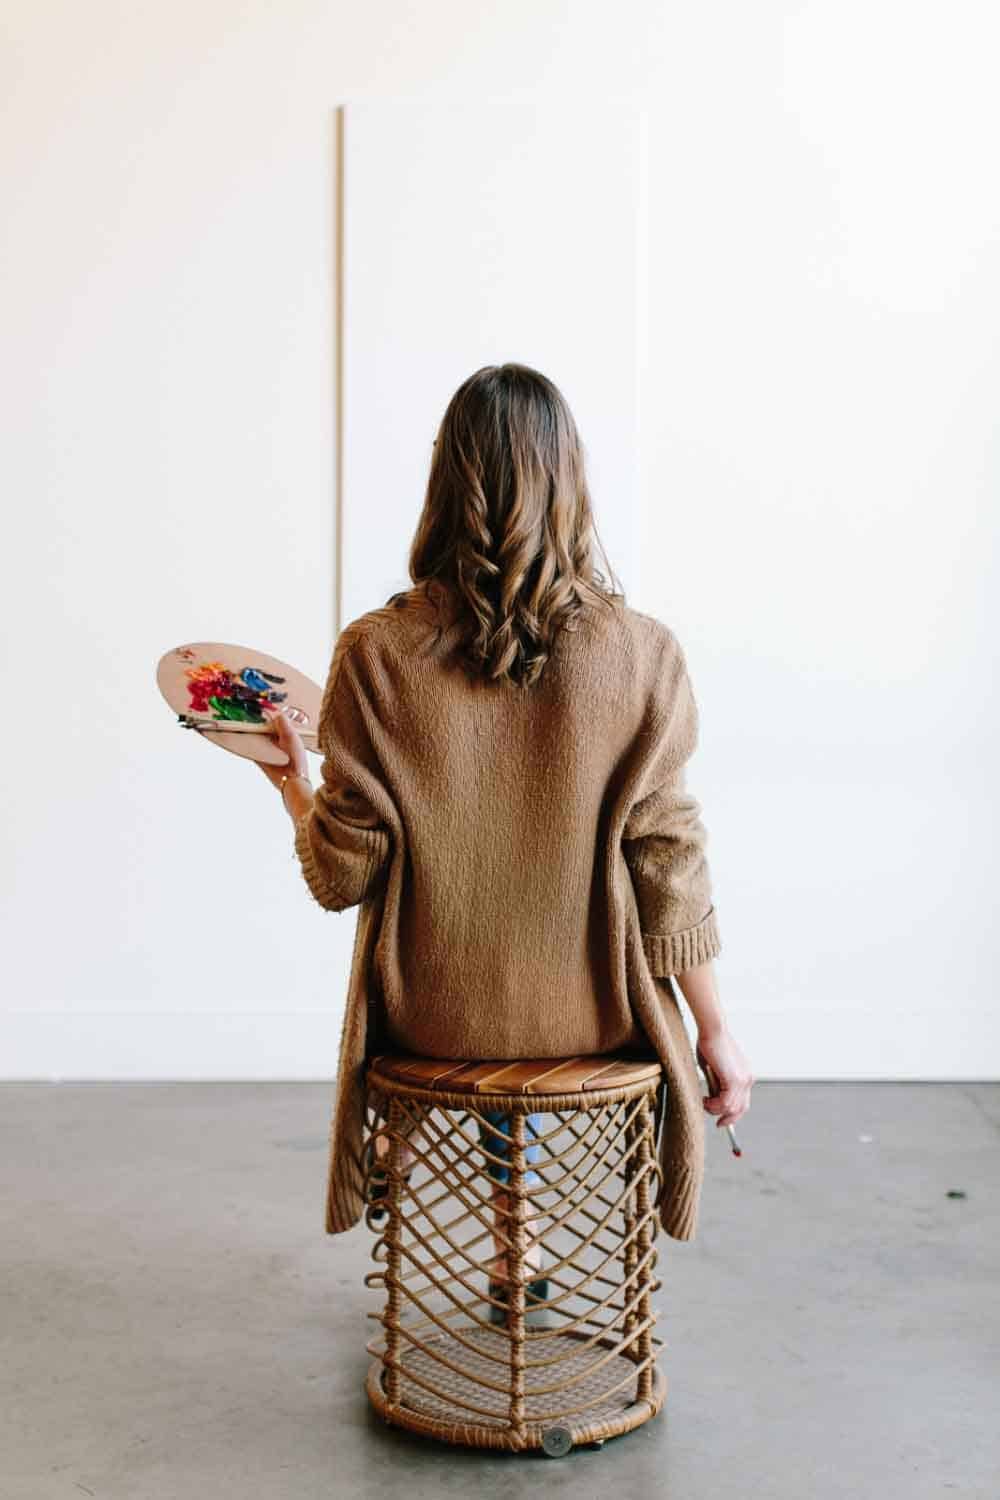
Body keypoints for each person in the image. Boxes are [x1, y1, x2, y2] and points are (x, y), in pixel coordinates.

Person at [257, 362, 753, 1291]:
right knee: (549, 970)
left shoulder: (375, 654)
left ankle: (478, 1232)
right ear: (572, 480)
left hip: (434, 1008)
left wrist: (293, 783)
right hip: (595, 1011)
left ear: (445, 484)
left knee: (471, 972)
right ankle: (516, 1249)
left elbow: (341, 876)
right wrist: (715, 1031)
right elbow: (670, 866)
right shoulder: (645, 655)